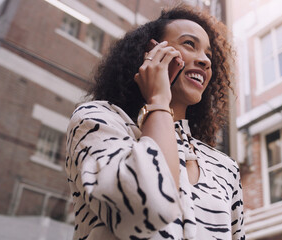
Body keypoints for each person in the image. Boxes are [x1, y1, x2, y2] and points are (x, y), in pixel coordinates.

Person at [65, 4, 244, 240]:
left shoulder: (226, 168)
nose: (205, 61)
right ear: (151, 51)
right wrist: (159, 100)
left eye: (208, 55)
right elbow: (147, 208)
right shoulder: (97, 121)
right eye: (190, 44)